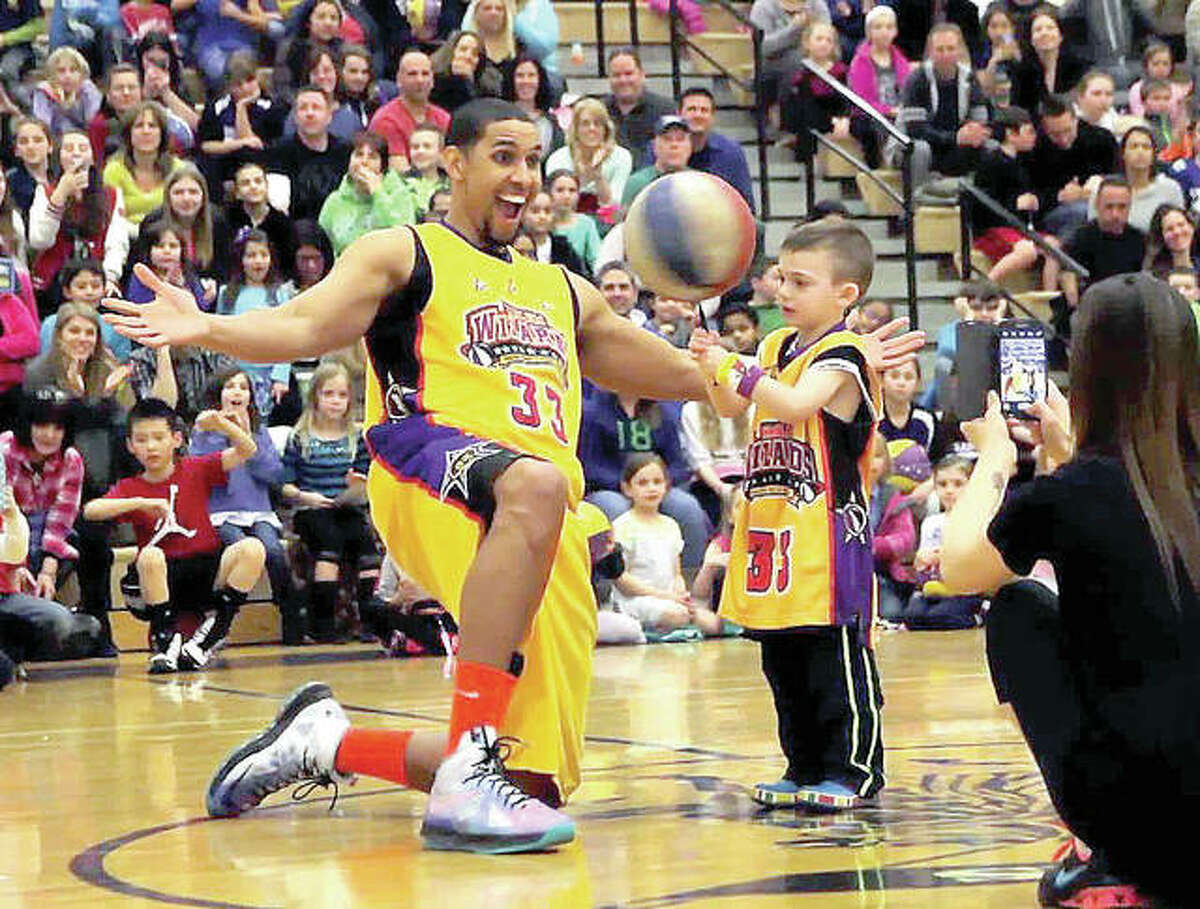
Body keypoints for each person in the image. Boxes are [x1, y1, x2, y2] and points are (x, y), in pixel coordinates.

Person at [104, 98, 923, 851]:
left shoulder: (562, 289)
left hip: (540, 517)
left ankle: (331, 741)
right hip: (429, 463)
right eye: (503, 155)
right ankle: (465, 763)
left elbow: (684, 371)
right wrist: (207, 324)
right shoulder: (405, 251)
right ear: (453, 163)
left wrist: (825, 358)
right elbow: (308, 322)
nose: (523, 176)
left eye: (533, 159)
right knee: (532, 483)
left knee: (532, 778)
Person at [940, 273, 1198, 908]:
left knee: (1018, 609)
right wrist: (1067, 453)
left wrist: (995, 457)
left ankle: (1101, 854)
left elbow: (960, 568)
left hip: (1148, 825)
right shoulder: (1098, 485)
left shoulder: (1075, 491)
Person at [688, 218, 886, 811]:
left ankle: (853, 770)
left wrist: (734, 367)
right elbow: (728, 402)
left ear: (845, 295)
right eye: (781, 278)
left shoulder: (845, 354)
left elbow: (796, 403)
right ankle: (802, 764)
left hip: (828, 531)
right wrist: (709, 364)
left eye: (801, 282)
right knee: (783, 657)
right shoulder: (774, 346)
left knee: (834, 657)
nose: (784, 291)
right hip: (772, 525)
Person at [82, 397, 265, 672]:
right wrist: (140, 503)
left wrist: (223, 425)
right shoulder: (131, 485)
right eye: (142, 440)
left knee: (253, 548)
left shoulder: (196, 468)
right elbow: (91, 510)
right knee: (151, 556)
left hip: (205, 570)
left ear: (177, 439)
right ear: (131, 446)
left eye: (159, 437)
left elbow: (247, 449)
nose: (151, 447)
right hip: (161, 579)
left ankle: (215, 629)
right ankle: (165, 636)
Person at [190, 368, 301, 643]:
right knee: (238, 546)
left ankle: (291, 615)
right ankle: (219, 618)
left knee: (274, 551)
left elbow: (272, 474)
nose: (237, 392)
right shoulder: (205, 430)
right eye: (230, 386)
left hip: (258, 510)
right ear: (218, 394)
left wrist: (247, 434)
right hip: (221, 514)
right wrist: (226, 430)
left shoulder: (259, 431)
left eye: (243, 387)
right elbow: (205, 472)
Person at [279, 360, 377, 641]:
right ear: (316, 397)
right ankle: (323, 626)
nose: (335, 402)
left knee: (365, 545)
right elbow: (284, 484)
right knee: (329, 544)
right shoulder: (300, 437)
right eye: (328, 394)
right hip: (312, 508)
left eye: (342, 395)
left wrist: (359, 487)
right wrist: (303, 496)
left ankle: (371, 623)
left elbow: (367, 478)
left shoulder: (357, 437)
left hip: (347, 506)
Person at [610, 452, 721, 636]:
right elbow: (622, 580)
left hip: (668, 599)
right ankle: (654, 628)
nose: (651, 488)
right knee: (676, 615)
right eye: (642, 483)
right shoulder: (622, 526)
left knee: (714, 625)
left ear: (666, 486)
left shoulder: (671, 525)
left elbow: (676, 573)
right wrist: (664, 597)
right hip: (636, 600)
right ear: (627, 488)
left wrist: (680, 593)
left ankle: (674, 624)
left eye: (657, 481)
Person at [28, 128, 130, 298]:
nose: (76, 153)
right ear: (58, 156)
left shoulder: (111, 194)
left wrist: (110, 276)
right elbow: (39, 240)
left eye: (82, 148)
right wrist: (60, 194)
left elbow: (117, 243)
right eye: (69, 148)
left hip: (96, 278)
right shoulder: (44, 191)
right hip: (55, 280)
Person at [215, 229, 293, 415]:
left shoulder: (280, 294)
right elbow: (220, 336)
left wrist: (280, 377)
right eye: (251, 255)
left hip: (268, 376)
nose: (258, 261)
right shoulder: (227, 294)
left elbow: (287, 339)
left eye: (263, 255)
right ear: (241, 260)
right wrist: (225, 376)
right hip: (236, 374)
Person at [899, 23, 991, 183]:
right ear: (930, 52)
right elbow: (915, 130)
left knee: (992, 147)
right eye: (940, 49)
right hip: (923, 143)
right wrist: (955, 138)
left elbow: (980, 120)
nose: (945, 54)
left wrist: (974, 132)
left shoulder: (970, 78)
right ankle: (917, 202)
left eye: (950, 48)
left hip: (956, 142)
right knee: (920, 149)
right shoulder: (917, 79)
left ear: (960, 50)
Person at [903, 454, 985, 630]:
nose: (949, 490)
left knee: (943, 616)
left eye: (958, 484)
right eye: (942, 484)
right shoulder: (931, 522)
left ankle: (979, 615)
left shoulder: (978, 520)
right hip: (935, 586)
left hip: (966, 589)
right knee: (913, 617)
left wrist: (945, 555)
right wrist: (921, 559)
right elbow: (920, 563)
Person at [1028, 93, 1117, 237]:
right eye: (1055, 134)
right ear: (1044, 129)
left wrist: (1097, 185)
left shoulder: (1101, 139)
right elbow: (1031, 195)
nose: (1063, 139)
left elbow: (1119, 176)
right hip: (1056, 211)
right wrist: (1059, 195)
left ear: (1076, 120)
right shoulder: (1035, 149)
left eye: (1068, 131)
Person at [318, 131, 416, 255]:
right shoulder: (335, 201)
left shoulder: (400, 196)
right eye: (358, 155)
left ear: (383, 165)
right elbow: (322, 246)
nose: (364, 162)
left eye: (372, 157)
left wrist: (377, 192)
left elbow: (400, 241)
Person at [267, 84, 351, 222]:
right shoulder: (279, 152)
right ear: (294, 116)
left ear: (329, 116)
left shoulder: (345, 151)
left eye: (316, 107)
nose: (309, 113)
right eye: (303, 108)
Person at [1061, 177, 1145, 307]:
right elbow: (1068, 274)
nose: (1115, 214)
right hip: (1090, 309)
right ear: (1097, 205)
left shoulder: (1140, 239)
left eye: (1122, 207)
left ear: (1130, 207)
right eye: (1109, 207)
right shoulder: (1081, 237)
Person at [543, 97, 632, 217]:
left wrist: (598, 177)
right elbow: (555, 202)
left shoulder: (621, 157)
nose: (592, 129)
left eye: (597, 124)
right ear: (576, 129)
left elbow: (613, 206)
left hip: (606, 220)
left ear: (605, 129)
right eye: (585, 124)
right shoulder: (558, 159)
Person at [1087, 125, 1182, 233]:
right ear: (1123, 153)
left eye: (1146, 147)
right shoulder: (1103, 190)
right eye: (1134, 146)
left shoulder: (1170, 188)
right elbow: (1093, 230)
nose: (1140, 152)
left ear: (1153, 154)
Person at [101, 100, 182, 226]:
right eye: (139, 126)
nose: (146, 131)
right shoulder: (114, 170)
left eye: (152, 126)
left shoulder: (178, 170)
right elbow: (111, 217)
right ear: (129, 134)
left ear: (162, 133)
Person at [368, 51, 451, 173]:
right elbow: (400, 174)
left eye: (425, 74)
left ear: (432, 80)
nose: (420, 80)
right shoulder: (386, 120)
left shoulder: (444, 118)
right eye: (412, 74)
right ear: (399, 80)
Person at [679, 87, 753, 212]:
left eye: (704, 110)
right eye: (692, 109)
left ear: (713, 117)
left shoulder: (731, 153)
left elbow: (745, 206)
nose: (698, 115)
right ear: (679, 114)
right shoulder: (661, 149)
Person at [602, 48, 676, 169]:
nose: (623, 80)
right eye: (616, 75)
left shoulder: (665, 110)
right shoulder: (600, 112)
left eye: (629, 74)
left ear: (642, 75)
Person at [1011, 6, 1089, 116]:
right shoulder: (1022, 72)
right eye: (1038, 30)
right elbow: (1019, 110)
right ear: (1031, 40)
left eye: (1050, 28)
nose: (1044, 33)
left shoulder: (1078, 67)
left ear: (1060, 36)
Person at [620, 115, 693, 209]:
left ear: (690, 145)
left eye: (680, 139)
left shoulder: (701, 182)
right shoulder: (637, 183)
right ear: (654, 145)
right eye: (667, 139)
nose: (674, 145)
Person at [501, 55, 563, 163]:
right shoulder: (500, 119)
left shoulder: (551, 122)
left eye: (531, 75)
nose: (526, 81)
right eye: (520, 76)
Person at [32, 47, 103, 137]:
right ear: (52, 74)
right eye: (61, 71)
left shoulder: (87, 88)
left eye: (73, 70)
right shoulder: (44, 91)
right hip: (55, 142)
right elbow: (42, 126)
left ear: (81, 73)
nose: (67, 76)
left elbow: (95, 122)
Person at [546, 170, 602, 275]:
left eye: (572, 190)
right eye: (560, 190)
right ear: (549, 193)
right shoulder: (542, 222)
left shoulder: (586, 224)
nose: (567, 196)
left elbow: (596, 261)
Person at [520, 191, 585, 275]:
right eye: (535, 211)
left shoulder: (564, 249)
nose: (542, 216)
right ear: (522, 214)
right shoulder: (515, 245)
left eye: (547, 211)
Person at [1143, 202, 1198, 276]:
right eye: (1169, 229)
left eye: (1181, 225)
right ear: (1161, 237)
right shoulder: (1154, 276)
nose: (1177, 232)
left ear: (1191, 227)